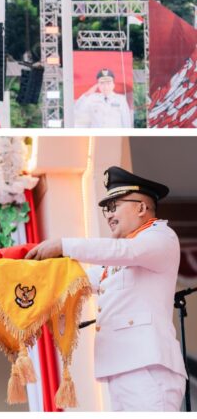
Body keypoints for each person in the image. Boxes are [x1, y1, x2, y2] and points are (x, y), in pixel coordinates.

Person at [26, 166, 186, 411]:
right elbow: (79, 283)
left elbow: (122, 252)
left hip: (148, 366)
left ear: (141, 208)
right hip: (120, 366)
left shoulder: (160, 237)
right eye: (106, 209)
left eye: (114, 207)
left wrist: (63, 245)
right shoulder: (120, 256)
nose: (109, 215)